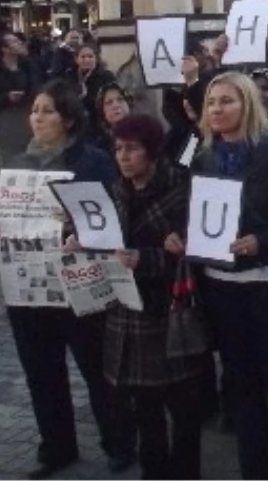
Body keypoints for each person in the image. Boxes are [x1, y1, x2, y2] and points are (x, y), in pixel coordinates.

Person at [0, 81, 135, 479]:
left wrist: (79, 223)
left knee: (97, 369)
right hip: (28, 287)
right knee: (42, 372)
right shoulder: (15, 163)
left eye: (46, 111)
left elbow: (113, 218)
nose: (37, 118)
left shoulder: (92, 161)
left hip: (78, 280)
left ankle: (119, 442)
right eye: (34, 111)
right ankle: (57, 446)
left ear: (67, 117)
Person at [188, 72, 268, 481]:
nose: (218, 109)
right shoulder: (201, 156)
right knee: (242, 389)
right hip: (222, 285)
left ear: (247, 105)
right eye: (211, 103)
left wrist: (262, 242)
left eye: (227, 101)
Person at [74, 114, 204, 481]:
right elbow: (103, 240)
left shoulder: (179, 187)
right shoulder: (115, 191)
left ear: (151, 150)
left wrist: (146, 259)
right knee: (145, 410)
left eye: (132, 148)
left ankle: (186, 473)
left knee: (183, 409)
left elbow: (193, 252)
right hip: (128, 313)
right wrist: (82, 241)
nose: (123, 156)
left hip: (171, 311)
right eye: (117, 148)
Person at [0, 32, 44, 169]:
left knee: (32, 167)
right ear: (4, 49)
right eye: (14, 42)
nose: (19, 44)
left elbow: (40, 88)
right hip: (4, 129)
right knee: (8, 169)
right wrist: (6, 98)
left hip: (30, 125)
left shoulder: (30, 67)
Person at [65, 43, 115, 121]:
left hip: (99, 118)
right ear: (76, 59)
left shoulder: (106, 76)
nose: (87, 60)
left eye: (90, 56)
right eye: (83, 57)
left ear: (96, 58)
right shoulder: (69, 76)